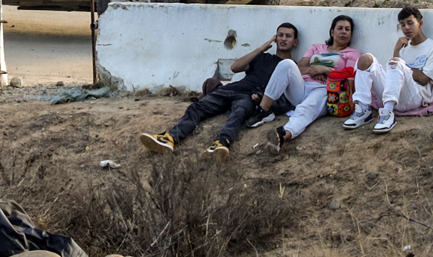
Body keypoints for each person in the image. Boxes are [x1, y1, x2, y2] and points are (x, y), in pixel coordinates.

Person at [138, 23, 300, 161]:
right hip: (234, 88)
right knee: (198, 107)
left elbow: (287, 98)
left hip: (249, 97)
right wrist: (261, 48)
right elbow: (235, 68)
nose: (283, 39)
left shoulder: (292, 69)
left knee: (238, 113)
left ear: (295, 42)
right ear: (275, 38)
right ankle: (170, 138)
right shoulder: (263, 58)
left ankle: (221, 144)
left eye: (288, 36)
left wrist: (260, 99)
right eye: (280, 35)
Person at [244, 14, 361, 155]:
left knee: (305, 109)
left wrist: (325, 70)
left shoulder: (353, 54)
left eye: (347, 29)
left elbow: (349, 77)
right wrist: (313, 70)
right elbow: (298, 67)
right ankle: (263, 110)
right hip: (302, 87)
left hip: (325, 91)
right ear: (332, 31)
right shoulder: (317, 48)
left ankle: (282, 135)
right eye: (340, 28)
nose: (343, 32)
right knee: (286, 64)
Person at [343, 6, 433, 134]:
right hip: (395, 96)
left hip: (416, 96)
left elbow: (424, 79)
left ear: (420, 23)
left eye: (410, 23)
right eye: (402, 24)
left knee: (396, 63)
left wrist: (401, 65)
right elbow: (395, 73)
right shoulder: (403, 47)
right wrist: (396, 51)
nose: (406, 28)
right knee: (365, 59)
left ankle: (387, 114)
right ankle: (363, 110)